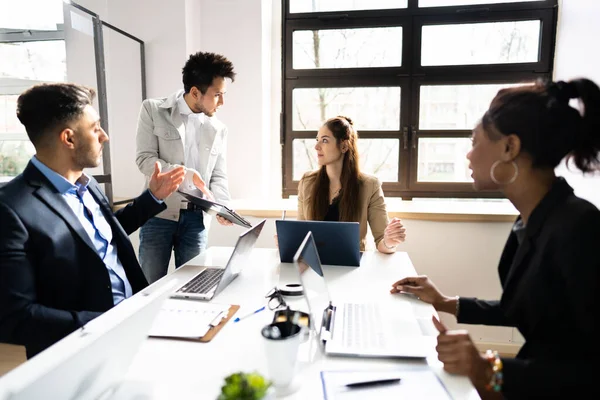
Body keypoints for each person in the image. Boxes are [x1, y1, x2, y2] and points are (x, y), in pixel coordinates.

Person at [391, 79, 600, 399]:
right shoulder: (533, 219)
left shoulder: (579, 228)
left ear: (509, 148)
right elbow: (530, 306)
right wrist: (445, 302)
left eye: (475, 142)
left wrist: (487, 368)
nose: (469, 155)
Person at [0, 83, 185, 358]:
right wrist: (112, 321)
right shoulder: (10, 207)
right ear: (69, 139)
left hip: (137, 329)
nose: (104, 136)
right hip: (82, 351)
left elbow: (102, 236)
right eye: (95, 127)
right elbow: (16, 318)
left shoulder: (88, 185)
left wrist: (152, 198)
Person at [135, 52, 236, 284]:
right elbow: (145, 160)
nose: (222, 102)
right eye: (218, 95)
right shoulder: (153, 109)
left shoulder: (218, 128)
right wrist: (186, 175)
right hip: (157, 213)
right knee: (148, 288)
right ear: (194, 92)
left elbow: (218, 175)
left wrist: (224, 206)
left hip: (196, 220)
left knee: (194, 287)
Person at [297, 116, 406, 253]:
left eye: (324, 140)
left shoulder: (370, 185)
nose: (317, 146)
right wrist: (289, 242)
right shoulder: (307, 182)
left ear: (343, 146)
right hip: (314, 265)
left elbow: (382, 242)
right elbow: (300, 235)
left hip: (352, 268)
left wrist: (390, 242)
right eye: (317, 140)